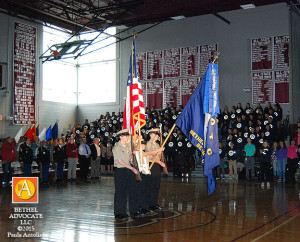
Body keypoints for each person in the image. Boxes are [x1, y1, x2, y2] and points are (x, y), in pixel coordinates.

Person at [113, 129, 139, 220]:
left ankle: (125, 211)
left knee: (128, 191)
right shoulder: (117, 147)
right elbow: (120, 161)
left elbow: (128, 158)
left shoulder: (127, 146)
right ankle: (119, 212)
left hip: (128, 170)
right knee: (120, 192)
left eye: (128, 135)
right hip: (121, 171)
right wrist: (131, 168)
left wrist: (133, 154)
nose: (127, 137)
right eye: (126, 136)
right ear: (121, 137)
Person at [146, 128, 165, 210]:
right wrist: (159, 161)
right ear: (151, 135)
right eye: (156, 134)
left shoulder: (157, 144)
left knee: (156, 186)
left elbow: (157, 155)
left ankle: (154, 203)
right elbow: (150, 156)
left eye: (157, 134)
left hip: (156, 165)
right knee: (151, 185)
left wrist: (160, 153)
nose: (157, 136)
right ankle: (150, 204)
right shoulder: (149, 144)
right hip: (151, 165)